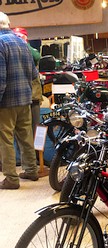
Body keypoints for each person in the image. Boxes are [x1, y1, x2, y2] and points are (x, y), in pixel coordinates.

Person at [0, 12, 39, 189]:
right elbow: (33, 74)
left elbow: (0, 78)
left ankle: (11, 179)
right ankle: (31, 170)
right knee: (25, 136)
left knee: (5, 139)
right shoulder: (22, 43)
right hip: (25, 98)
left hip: (5, 101)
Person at [13, 27, 42, 135]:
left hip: (33, 94)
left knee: (35, 126)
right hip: (19, 96)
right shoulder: (12, 50)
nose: (17, 39)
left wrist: (24, 43)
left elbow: (36, 56)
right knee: (22, 128)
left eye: (19, 36)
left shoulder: (29, 49)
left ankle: (37, 150)